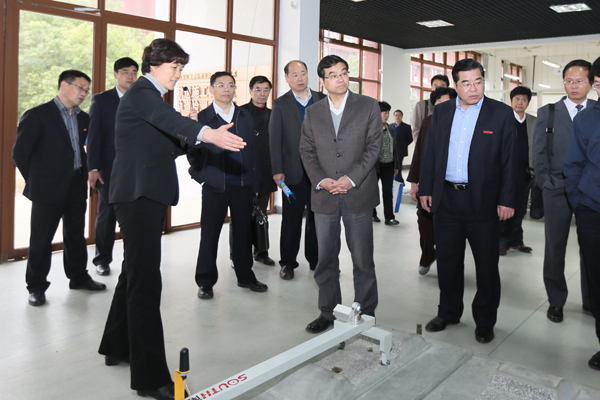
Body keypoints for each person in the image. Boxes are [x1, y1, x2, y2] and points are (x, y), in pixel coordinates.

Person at [98, 39, 245, 400]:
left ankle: (116, 345)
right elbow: (167, 120)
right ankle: (149, 379)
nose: (178, 74)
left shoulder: (149, 97)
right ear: (153, 64)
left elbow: (162, 142)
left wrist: (192, 134)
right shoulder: (142, 92)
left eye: (181, 67)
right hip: (137, 196)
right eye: (174, 67)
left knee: (134, 273)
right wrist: (205, 132)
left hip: (143, 194)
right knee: (146, 284)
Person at [419, 58, 517, 344]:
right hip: (446, 198)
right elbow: (431, 152)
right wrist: (426, 188)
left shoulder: (501, 113)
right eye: (466, 83)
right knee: (448, 261)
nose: (473, 89)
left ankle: (485, 320)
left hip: (484, 201)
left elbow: (511, 160)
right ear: (455, 85)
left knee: (486, 265)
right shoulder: (442, 111)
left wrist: (507, 199)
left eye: (478, 82)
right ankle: (448, 312)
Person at [300, 55, 382, 333]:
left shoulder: (368, 106)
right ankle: (328, 311)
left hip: (358, 193)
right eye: (333, 75)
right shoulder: (313, 112)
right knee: (325, 259)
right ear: (322, 81)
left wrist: (351, 178)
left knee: (362, 259)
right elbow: (306, 150)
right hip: (325, 196)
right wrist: (322, 180)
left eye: (344, 73)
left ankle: (366, 312)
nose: (340, 79)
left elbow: (374, 147)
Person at [13, 69, 106, 307]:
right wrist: (37, 181)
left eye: (86, 90)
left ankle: (78, 277)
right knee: (41, 239)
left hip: (76, 185)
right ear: (64, 85)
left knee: (75, 235)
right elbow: (20, 154)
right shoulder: (37, 115)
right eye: (80, 88)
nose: (83, 93)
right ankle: (36, 286)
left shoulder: (83, 118)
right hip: (47, 189)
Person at [188, 71, 267, 300]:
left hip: (242, 184)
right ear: (211, 88)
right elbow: (192, 152)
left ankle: (245, 276)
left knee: (243, 233)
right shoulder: (202, 117)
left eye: (230, 85)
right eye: (221, 85)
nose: (226, 89)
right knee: (210, 234)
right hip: (215, 186)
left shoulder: (244, 115)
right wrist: (202, 177)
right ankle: (205, 282)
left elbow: (253, 150)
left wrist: (255, 181)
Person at [532, 59, 595, 323]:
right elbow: (538, 151)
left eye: (580, 81)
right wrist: (545, 181)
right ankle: (556, 301)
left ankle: (592, 300)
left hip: (589, 190)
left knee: (590, 247)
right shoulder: (549, 112)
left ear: (591, 83)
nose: (573, 86)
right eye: (569, 81)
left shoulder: (596, 111)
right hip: (556, 187)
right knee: (555, 246)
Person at [269, 60, 326, 280]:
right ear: (286, 78)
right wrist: (277, 170)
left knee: (318, 218)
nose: (299, 78)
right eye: (294, 74)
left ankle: (317, 260)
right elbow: (275, 139)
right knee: (291, 219)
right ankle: (288, 263)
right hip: (292, 172)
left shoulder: (322, 99)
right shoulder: (280, 104)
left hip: (320, 171)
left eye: (303, 73)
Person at [564, 55, 600, 371]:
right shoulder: (586, 119)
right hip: (592, 210)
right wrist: (579, 202)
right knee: (597, 280)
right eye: (599, 84)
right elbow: (573, 164)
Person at [87, 57, 139, 276]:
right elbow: (94, 136)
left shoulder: (142, 100)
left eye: (134, 72)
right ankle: (102, 259)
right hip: (108, 169)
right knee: (106, 216)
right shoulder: (101, 100)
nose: (130, 76)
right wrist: (93, 168)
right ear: (116, 74)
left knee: (134, 217)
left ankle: (133, 260)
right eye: (125, 72)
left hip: (136, 168)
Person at [407, 87, 457, 276]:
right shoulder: (428, 122)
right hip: (429, 184)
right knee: (425, 223)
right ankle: (427, 255)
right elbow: (419, 152)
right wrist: (414, 182)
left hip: (450, 186)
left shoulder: (461, 124)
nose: (443, 107)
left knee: (448, 229)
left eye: (447, 103)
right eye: (439, 103)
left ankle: (447, 263)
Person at [241, 76, 277, 265]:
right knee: (241, 217)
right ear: (250, 91)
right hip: (244, 172)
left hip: (266, 172)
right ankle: (238, 254)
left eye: (265, 90)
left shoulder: (273, 115)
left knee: (261, 214)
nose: (262, 93)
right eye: (258, 89)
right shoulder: (240, 113)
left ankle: (261, 252)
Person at [499, 86, 536, 256]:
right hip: (506, 171)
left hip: (525, 172)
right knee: (505, 205)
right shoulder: (503, 119)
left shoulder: (534, 121)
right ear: (511, 101)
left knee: (520, 208)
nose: (520, 103)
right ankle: (501, 241)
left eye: (524, 99)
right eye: (517, 99)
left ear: (528, 102)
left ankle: (516, 241)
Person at [372, 101, 400, 225]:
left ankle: (389, 217)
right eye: (384, 113)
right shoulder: (371, 128)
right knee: (373, 191)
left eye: (388, 113)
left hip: (389, 164)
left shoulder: (390, 128)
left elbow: (395, 148)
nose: (387, 115)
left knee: (388, 191)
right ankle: (372, 214)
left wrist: (396, 165)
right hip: (375, 166)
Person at [412, 74, 449, 142]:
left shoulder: (451, 106)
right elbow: (416, 129)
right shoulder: (421, 105)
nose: (438, 88)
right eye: (435, 86)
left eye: (442, 86)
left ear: (447, 88)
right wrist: (421, 146)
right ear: (431, 87)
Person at [389, 109, 413, 183]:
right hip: (391, 151)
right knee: (391, 167)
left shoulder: (406, 127)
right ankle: (395, 181)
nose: (397, 117)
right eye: (396, 115)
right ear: (393, 116)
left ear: (402, 116)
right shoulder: (390, 126)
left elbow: (410, 139)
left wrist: (403, 144)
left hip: (400, 150)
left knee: (398, 167)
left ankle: (399, 181)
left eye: (399, 115)